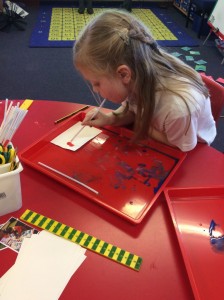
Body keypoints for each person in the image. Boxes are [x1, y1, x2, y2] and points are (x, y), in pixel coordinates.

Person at [73, 10, 216, 152]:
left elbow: (179, 145)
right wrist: (110, 119)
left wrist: (142, 124)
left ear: (123, 74)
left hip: (188, 147)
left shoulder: (177, 108)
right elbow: (132, 109)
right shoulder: (136, 74)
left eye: (97, 83)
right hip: (161, 129)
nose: (95, 90)